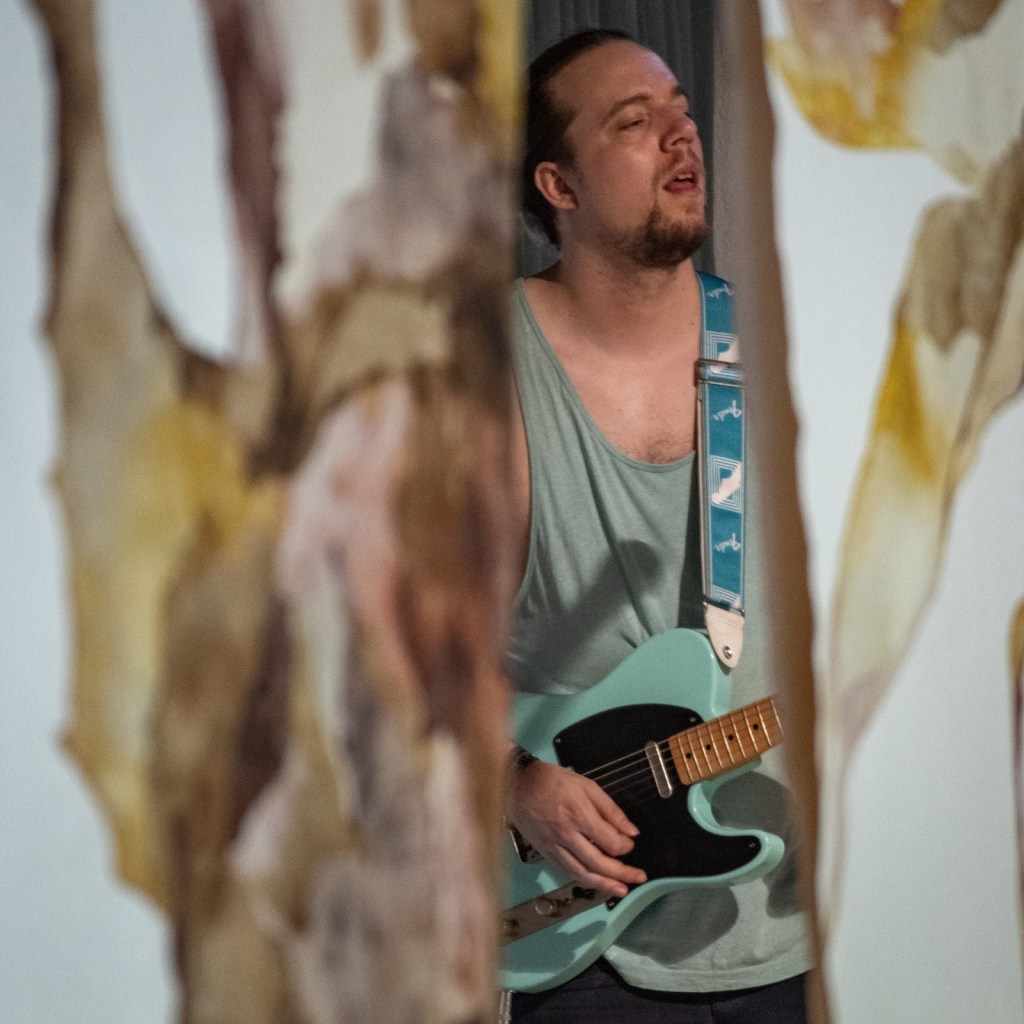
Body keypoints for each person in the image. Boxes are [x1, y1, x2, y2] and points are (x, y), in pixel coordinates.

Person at [502, 29, 812, 1023]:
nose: (683, 135)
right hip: (577, 930)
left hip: (786, 919)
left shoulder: (785, 344)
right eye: (634, 122)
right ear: (559, 184)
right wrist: (510, 779)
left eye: (681, 109)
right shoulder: (476, 369)